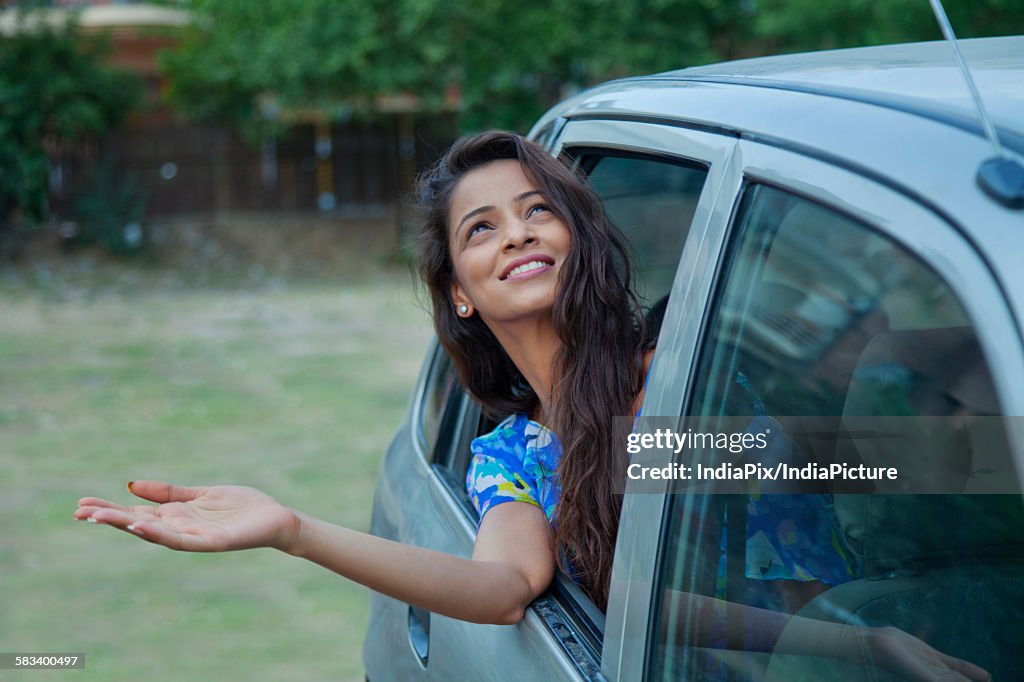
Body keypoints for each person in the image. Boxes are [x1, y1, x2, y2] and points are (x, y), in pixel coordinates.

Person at [74, 132, 989, 680]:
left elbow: (816, 530)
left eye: (535, 209)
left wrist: (869, 642)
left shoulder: (680, 372)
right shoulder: (508, 456)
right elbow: (504, 588)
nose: (515, 231)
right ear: (461, 291)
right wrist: (289, 530)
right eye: (482, 227)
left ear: (574, 234)